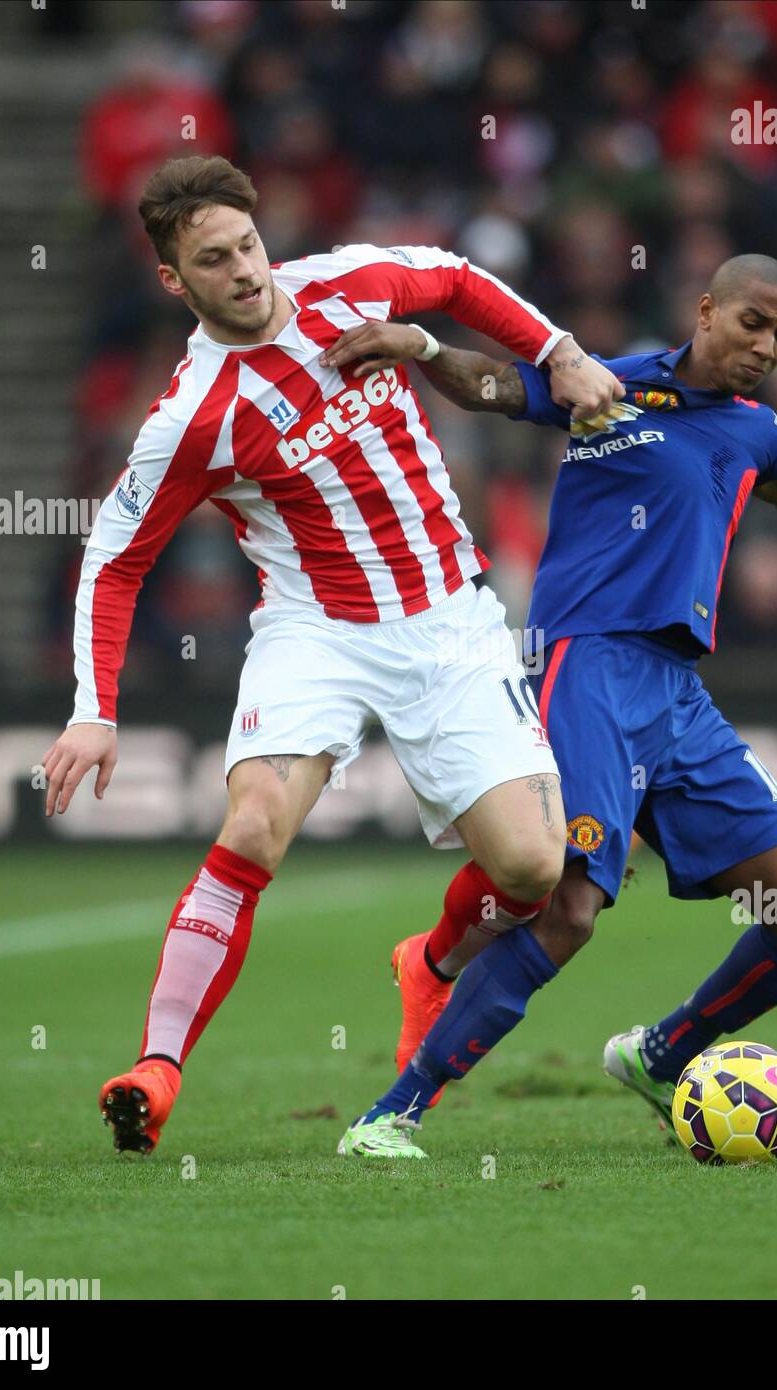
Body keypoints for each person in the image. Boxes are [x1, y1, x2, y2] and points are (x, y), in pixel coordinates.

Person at [40, 154, 622, 1154]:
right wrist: (95, 706)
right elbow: (111, 558)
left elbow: (451, 275)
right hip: (315, 631)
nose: (244, 271)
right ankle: (157, 1067)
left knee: (531, 867)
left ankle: (431, 963)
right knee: (255, 823)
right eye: (213, 261)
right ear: (175, 281)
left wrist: (559, 351)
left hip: (448, 615)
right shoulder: (190, 417)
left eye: (247, 245)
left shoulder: (344, 284)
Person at [331, 255, 777, 1158]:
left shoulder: (755, 431)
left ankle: (662, 1053)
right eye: (754, 323)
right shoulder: (609, 386)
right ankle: (393, 1113)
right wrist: (421, 345)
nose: (767, 346)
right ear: (706, 309)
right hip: (590, 661)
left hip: (677, 692)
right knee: (567, 910)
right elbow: (492, 387)